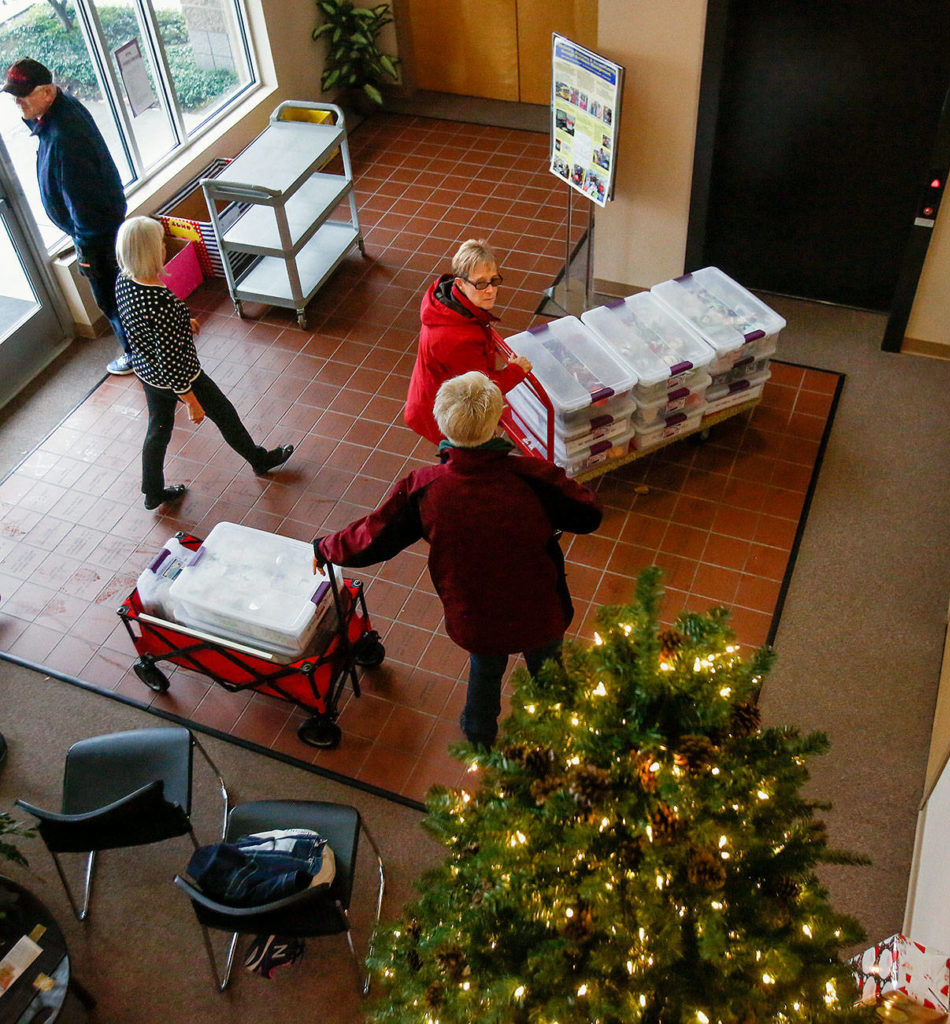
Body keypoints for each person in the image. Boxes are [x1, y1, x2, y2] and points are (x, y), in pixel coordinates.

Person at [314, 371, 602, 749]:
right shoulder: (534, 478)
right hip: (540, 606)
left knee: (485, 671)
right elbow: (588, 515)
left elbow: (373, 537)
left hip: (476, 613)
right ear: (500, 422)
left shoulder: (425, 489)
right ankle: (562, 728)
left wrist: (325, 547)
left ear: (442, 425)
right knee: (549, 667)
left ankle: (480, 733)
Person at [114, 216, 294, 511]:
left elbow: (145, 328)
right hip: (184, 378)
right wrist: (190, 400)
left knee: (157, 430)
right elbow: (173, 362)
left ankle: (152, 490)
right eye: (159, 242)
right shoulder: (163, 303)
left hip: (147, 374)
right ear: (149, 251)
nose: (164, 247)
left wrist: (184, 323)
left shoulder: (125, 280)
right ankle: (259, 460)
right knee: (225, 415)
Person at [1, 58, 133, 376]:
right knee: (122, 292)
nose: (17, 102)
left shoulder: (63, 140)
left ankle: (136, 355)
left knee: (111, 301)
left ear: (47, 92)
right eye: (14, 95)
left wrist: (86, 252)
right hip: (103, 225)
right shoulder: (63, 108)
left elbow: (82, 204)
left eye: (24, 95)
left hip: (95, 236)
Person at [403, 238, 532, 445]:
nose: (490, 290)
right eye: (481, 283)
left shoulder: (447, 305)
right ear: (460, 284)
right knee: (460, 461)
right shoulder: (457, 338)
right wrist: (516, 372)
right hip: (445, 417)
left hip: (429, 398)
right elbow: (479, 389)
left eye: (494, 280)